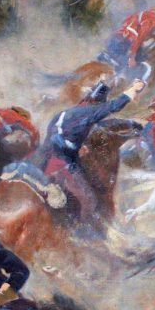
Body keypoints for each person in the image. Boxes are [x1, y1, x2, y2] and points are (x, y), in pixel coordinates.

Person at [39, 82, 131, 223]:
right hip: (63, 161)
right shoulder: (87, 113)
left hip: (47, 161)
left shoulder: (63, 114)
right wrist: (130, 93)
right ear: (95, 103)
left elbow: (55, 138)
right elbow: (113, 106)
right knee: (89, 200)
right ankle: (83, 231)